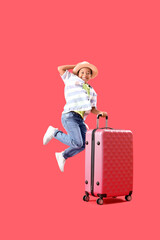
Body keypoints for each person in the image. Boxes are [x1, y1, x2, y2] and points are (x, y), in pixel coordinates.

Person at [43, 61, 107, 172]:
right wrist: (76, 67)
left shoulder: (92, 91)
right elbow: (60, 68)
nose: (85, 74)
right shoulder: (71, 79)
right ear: (77, 73)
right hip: (70, 115)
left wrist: (100, 112)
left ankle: (63, 155)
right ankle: (54, 132)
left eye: (88, 73)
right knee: (77, 142)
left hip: (80, 120)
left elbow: (92, 109)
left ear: (91, 76)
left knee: (84, 145)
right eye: (82, 72)